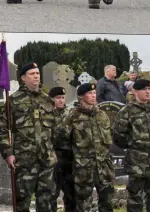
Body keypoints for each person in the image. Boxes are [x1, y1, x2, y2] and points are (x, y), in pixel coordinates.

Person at [0, 62, 56, 211]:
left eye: (37, 73)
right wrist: (8, 154)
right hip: (24, 161)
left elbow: (54, 129)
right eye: (32, 73)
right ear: (23, 78)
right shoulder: (13, 101)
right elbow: (3, 129)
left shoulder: (47, 100)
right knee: (22, 202)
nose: (36, 76)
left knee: (46, 201)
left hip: (46, 160)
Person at [54, 83, 114, 211]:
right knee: (83, 204)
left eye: (94, 93)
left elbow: (109, 137)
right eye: (90, 93)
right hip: (83, 168)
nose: (93, 96)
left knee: (107, 202)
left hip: (103, 167)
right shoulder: (73, 116)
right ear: (81, 97)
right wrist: (76, 156)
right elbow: (62, 139)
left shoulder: (102, 115)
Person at [113, 79, 150, 212]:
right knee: (135, 198)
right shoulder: (127, 111)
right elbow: (119, 136)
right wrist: (135, 145)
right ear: (135, 91)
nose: (147, 92)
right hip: (137, 161)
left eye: (149, 89)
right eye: (144, 89)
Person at [48, 87, 75, 212]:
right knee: (52, 193)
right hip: (53, 158)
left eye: (63, 98)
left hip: (69, 158)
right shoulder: (47, 115)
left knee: (70, 193)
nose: (61, 100)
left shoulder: (71, 114)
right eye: (58, 98)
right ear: (52, 99)